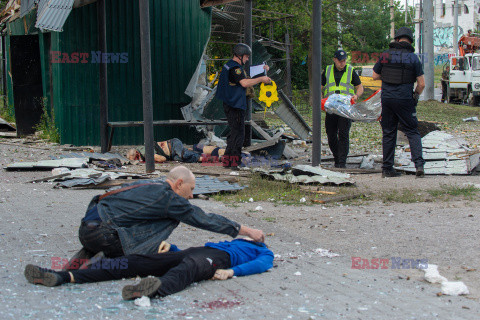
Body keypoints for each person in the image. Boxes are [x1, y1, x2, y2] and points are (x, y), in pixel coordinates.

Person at [67, 166, 265, 269]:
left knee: (132, 222)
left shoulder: (148, 185)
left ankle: (84, 257)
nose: (191, 196)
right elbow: (203, 218)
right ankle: (103, 264)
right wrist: (248, 231)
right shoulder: (169, 198)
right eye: (191, 189)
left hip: (86, 229)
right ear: (179, 183)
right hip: (105, 235)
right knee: (174, 218)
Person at [24, 238, 274, 300]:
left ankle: (151, 290)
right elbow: (191, 252)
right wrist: (172, 246)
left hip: (218, 262)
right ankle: (63, 275)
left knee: (187, 269)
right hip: (192, 252)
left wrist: (233, 272)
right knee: (135, 262)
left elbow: (264, 264)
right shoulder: (231, 240)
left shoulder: (263, 250)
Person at [372, 27, 425, 178]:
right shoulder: (413, 58)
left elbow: (375, 75)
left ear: (397, 39)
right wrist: (415, 95)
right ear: (410, 40)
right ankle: (419, 166)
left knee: (388, 132)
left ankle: (387, 169)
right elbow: (422, 84)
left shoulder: (385, 55)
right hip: (405, 99)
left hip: (387, 99)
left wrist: (389, 76)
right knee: (412, 131)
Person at [215, 43, 272, 169]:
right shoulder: (235, 69)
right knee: (239, 133)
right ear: (240, 55)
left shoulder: (229, 65)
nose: (247, 59)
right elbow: (244, 82)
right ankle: (235, 163)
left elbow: (246, 73)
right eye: (246, 57)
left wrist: (262, 69)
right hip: (235, 104)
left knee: (234, 132)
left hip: (230, 103)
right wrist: (262, 78)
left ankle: (227, 161)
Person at [321, 49, 364, 168]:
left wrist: (356, 95)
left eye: (344, 60)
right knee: (331, 133)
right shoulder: (328, 70)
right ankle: (336, 156)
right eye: (340, 61)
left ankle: (341, 162)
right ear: (334, 60)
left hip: (345, 109)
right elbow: (320, 86)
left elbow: (360, 87)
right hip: (331, 108)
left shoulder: (351, 71)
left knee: (343, 134)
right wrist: (320, 100)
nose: (342, 63)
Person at [126, 139, 203, 163]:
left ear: (137, 153)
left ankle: (200, 153)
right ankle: (199, 156)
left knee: (184, 155)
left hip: (173, 144)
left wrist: (153, 159)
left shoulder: (145, 152)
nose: (137, 160)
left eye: (136, 158)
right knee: (182, 159)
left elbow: (163, 159)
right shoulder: (140, 152)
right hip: (171, 155)